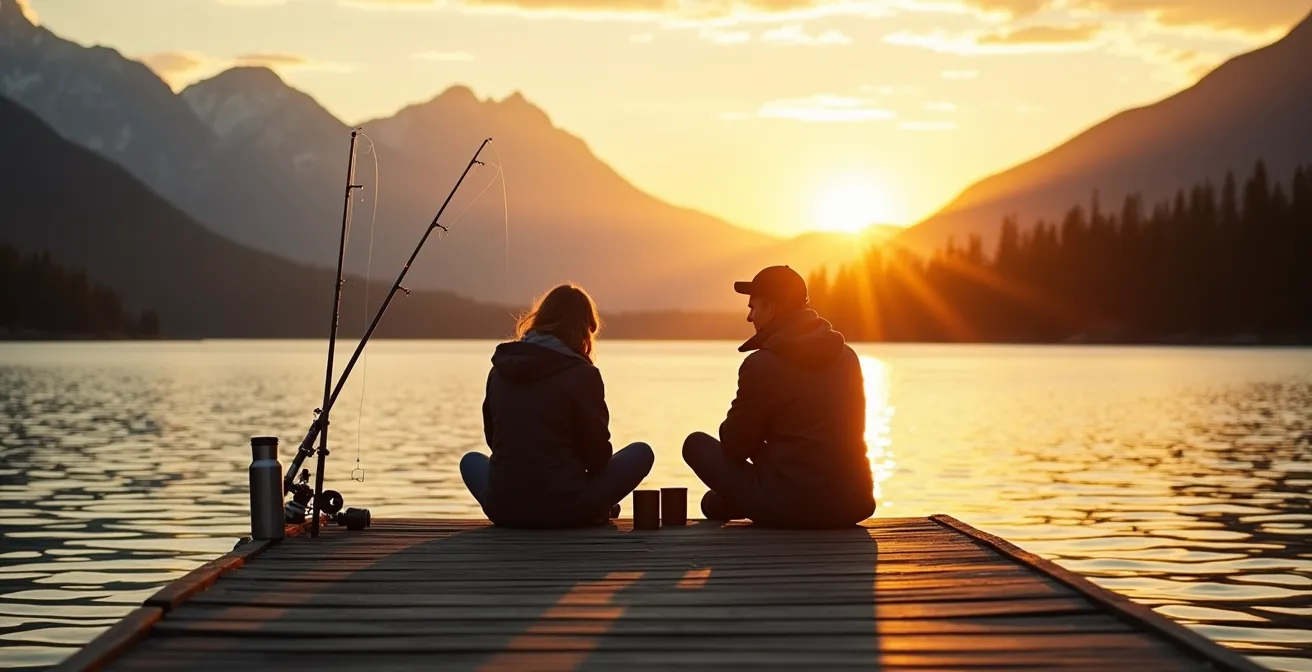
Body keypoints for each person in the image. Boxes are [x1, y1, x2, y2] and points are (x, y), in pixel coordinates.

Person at [682, 265, 875, 528]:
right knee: (715, 503)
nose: (749, 317)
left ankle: (739, 501)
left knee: (695, 446)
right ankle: (735, 500)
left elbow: (735, 447)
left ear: (771, 309)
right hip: (852, 503)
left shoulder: (761, 365)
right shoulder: (849, 357)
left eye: (753, 307)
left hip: (791, 507)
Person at [460, 284, 654, 528]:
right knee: (641, 452)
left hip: (504, 508)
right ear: (583, 329)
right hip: (565, 511)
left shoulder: (498, 371)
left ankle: (590, 503)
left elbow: (493, 440)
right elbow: (597, 457)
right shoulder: (583, 375)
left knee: (471, 460)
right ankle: (594, 505)